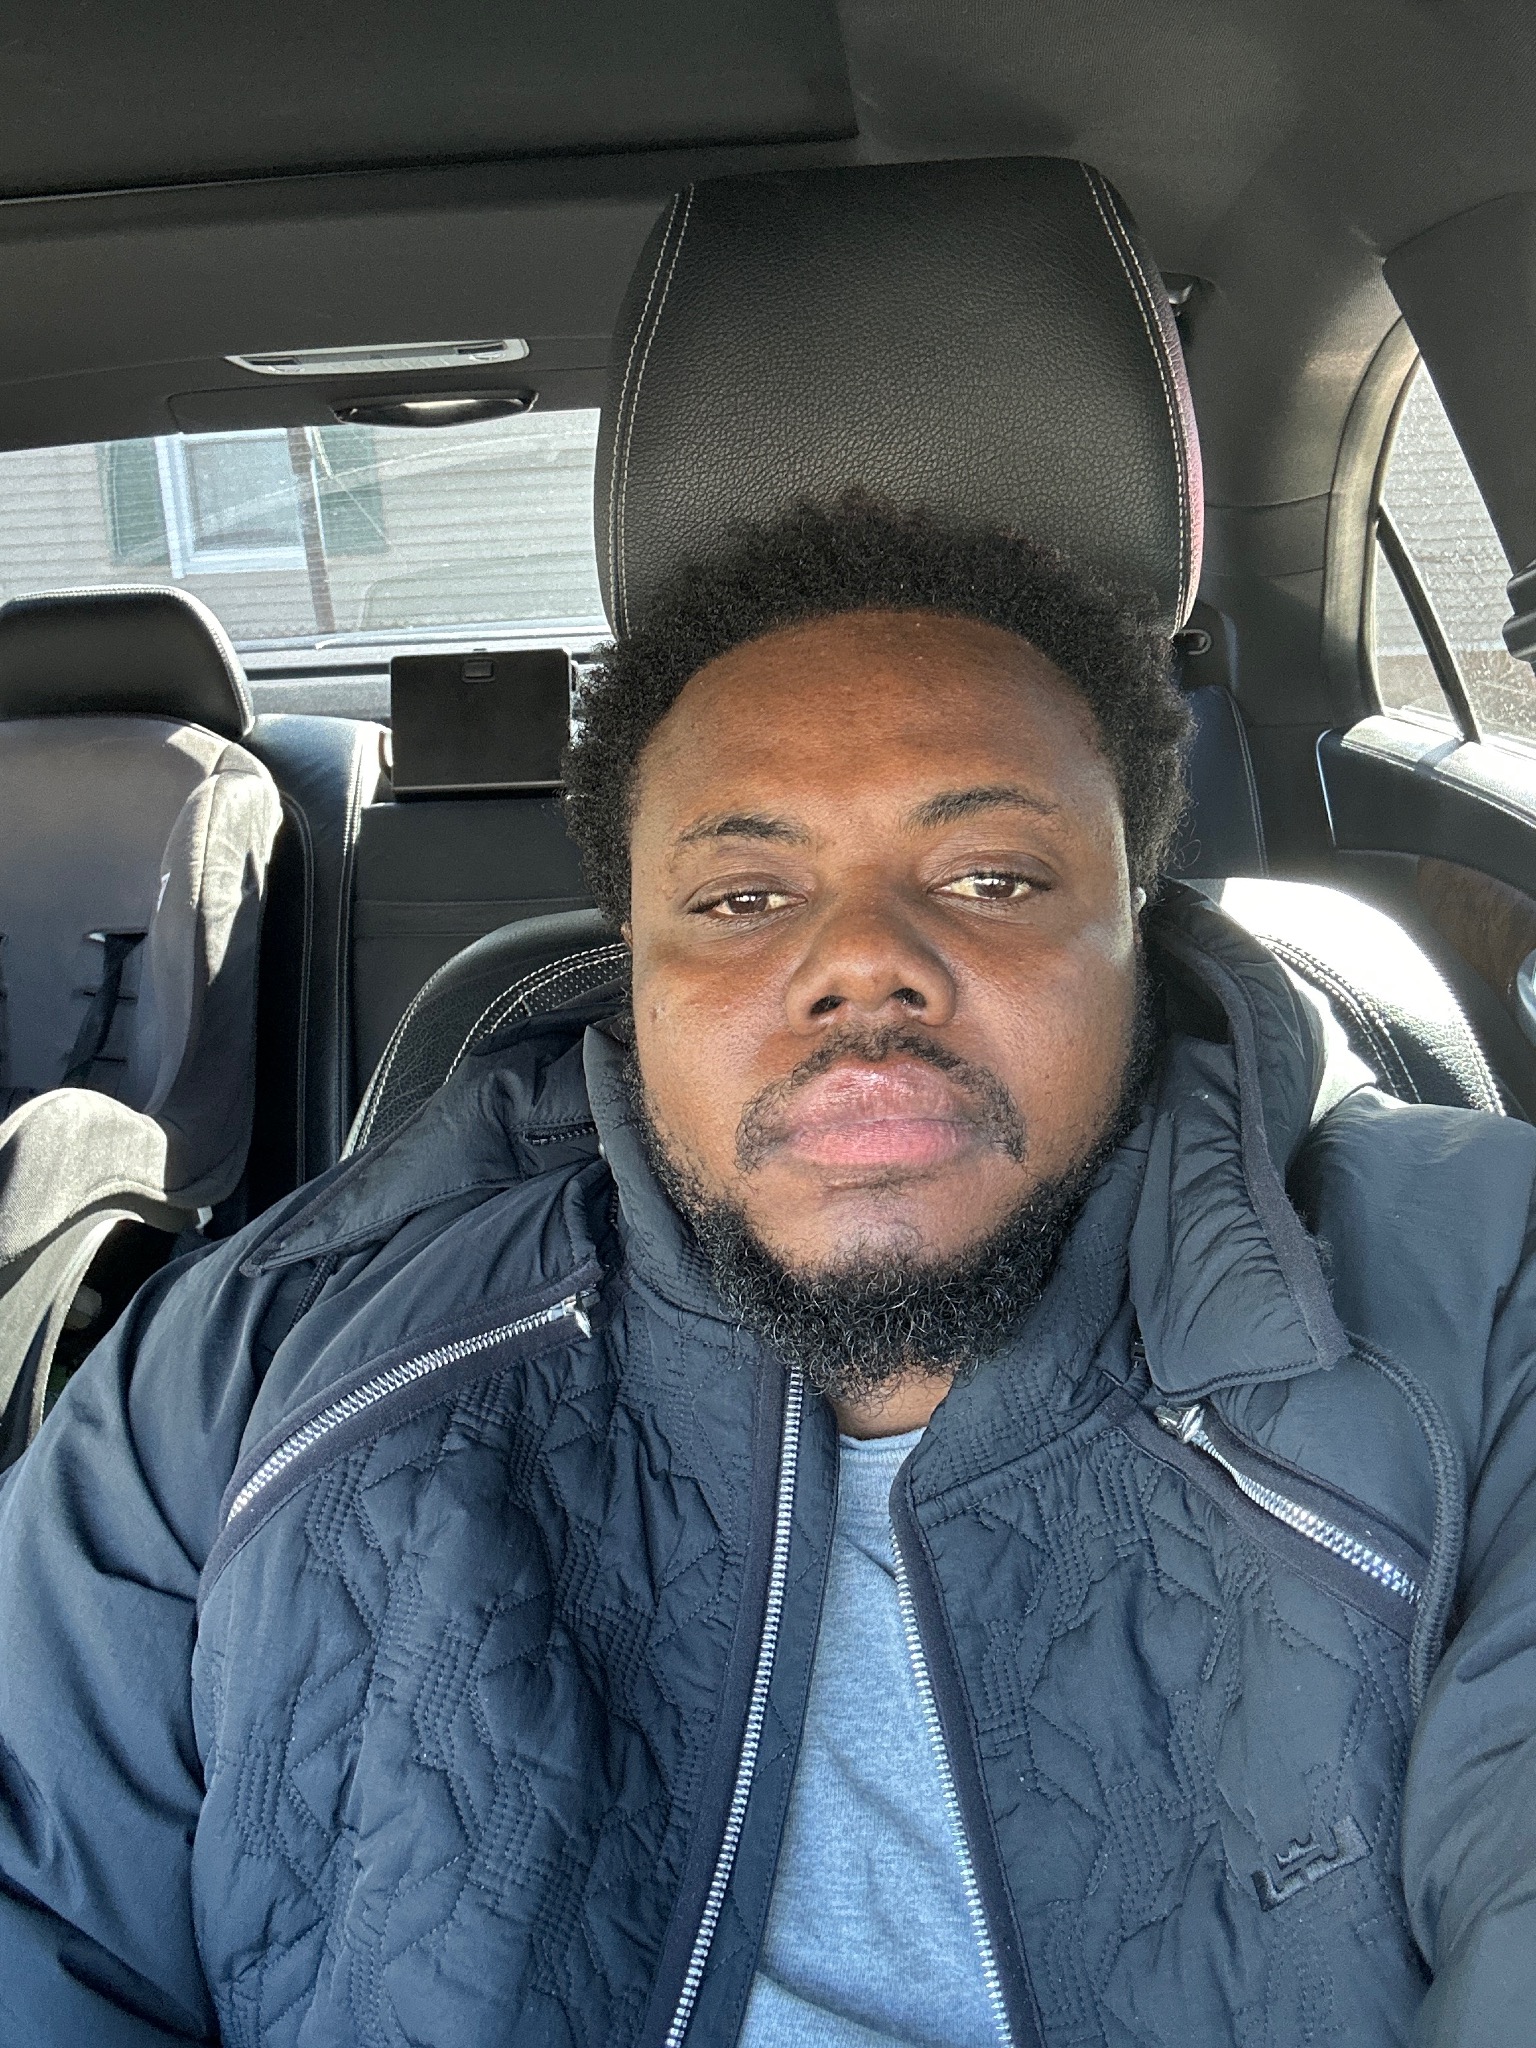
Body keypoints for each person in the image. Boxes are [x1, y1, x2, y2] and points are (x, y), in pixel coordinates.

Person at [1, 493, 1533, 2048]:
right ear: (633, 967)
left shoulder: (1486, 1294)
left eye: (994, 878)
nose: (862, 963)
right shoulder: (251, 1369)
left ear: (1137, 916)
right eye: (744, 899)